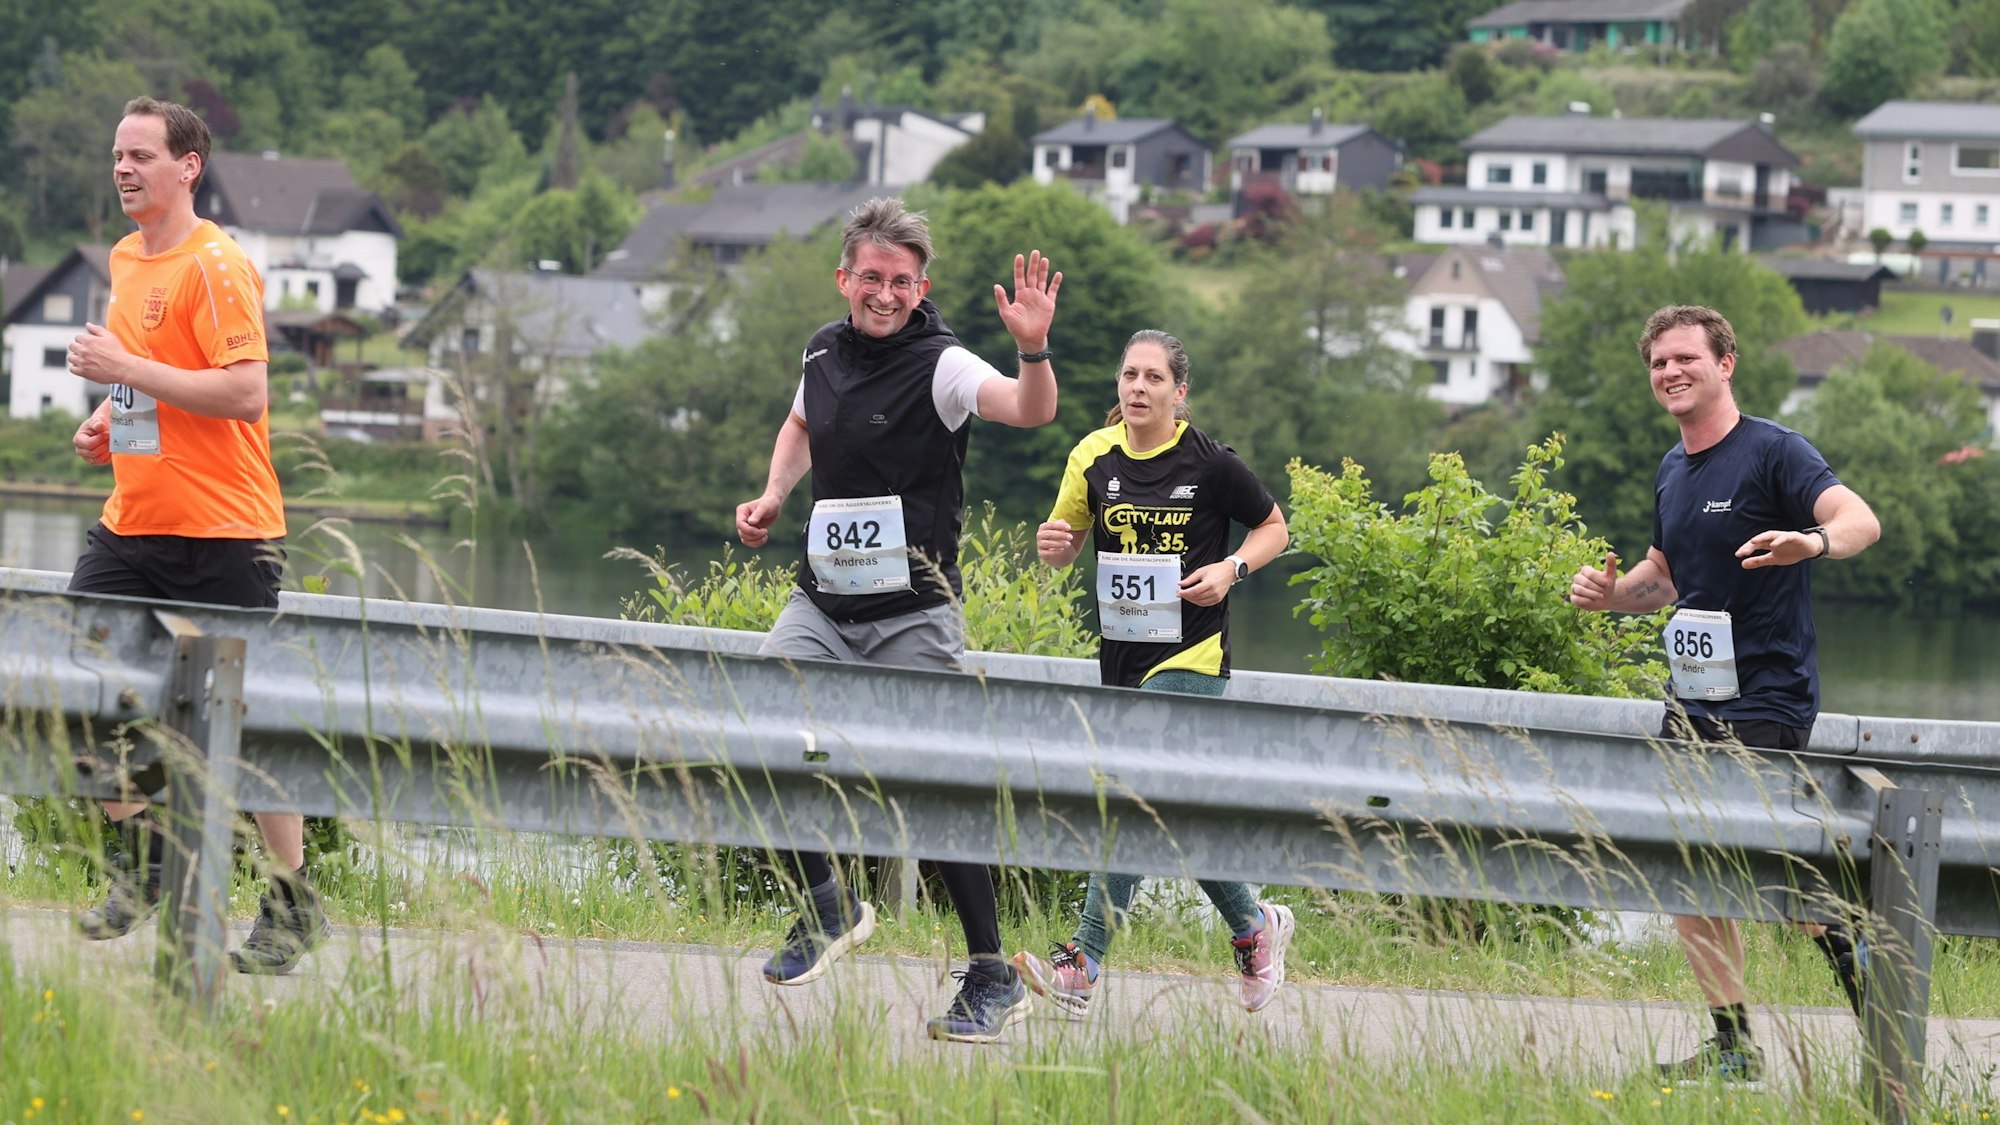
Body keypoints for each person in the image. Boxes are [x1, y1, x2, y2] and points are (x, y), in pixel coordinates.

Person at [734, 197, 1061, 1044]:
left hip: (913, 609)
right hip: (824, 599)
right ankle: (829, 903)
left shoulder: (943, 363)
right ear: (845, 277)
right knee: (761, 716)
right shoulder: (820, 350)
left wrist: (1032, 346)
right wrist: (775, 492)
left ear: (923, 286)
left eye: (902, 282)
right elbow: (803, 421)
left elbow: (1029, 410)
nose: (885, 294)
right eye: (872, 278)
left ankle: (991, 971)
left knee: (932, 779)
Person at [1568, 304, 1881, 1084]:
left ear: (1725, 362)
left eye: (1685, 358)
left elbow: (1860, 519)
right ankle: (1734, 1046)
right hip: (1691, 702)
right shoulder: (1674, 469)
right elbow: (1664, 577)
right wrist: (1611, 596)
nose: (1670, 372)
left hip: (1766, 702)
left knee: (1783, 880)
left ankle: (1888, 1015)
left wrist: (1810, 540)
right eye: (1658, 363)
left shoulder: (1774, 451)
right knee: (1690, 877)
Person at [64, 96, 327, 975]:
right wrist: (112, 417)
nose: (124, 169)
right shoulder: (127, 257)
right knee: (76, 682)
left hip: (226, 531)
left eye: (141, 155)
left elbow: (245, 392)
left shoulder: (219, 265)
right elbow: (154, 370)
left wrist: (122, 371)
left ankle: (291, 901)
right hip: (134, 525)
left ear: (189, 167)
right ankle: (140, 857)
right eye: (116, 155)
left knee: (243, 731)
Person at [1010, 329, 1295, 1017]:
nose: (1138, 387)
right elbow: (1064, 542)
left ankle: (1082, 962)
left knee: (1131, 790)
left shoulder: (1210, 462)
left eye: (1154, 378)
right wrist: (1054, 543)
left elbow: (1274, 528)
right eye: (1129, 375)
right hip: (1122, 661)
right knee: (1160, 805)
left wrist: (1232, 568)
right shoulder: (1092, 455)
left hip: (1192, 657)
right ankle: (1255, 928)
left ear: (1179, 391)